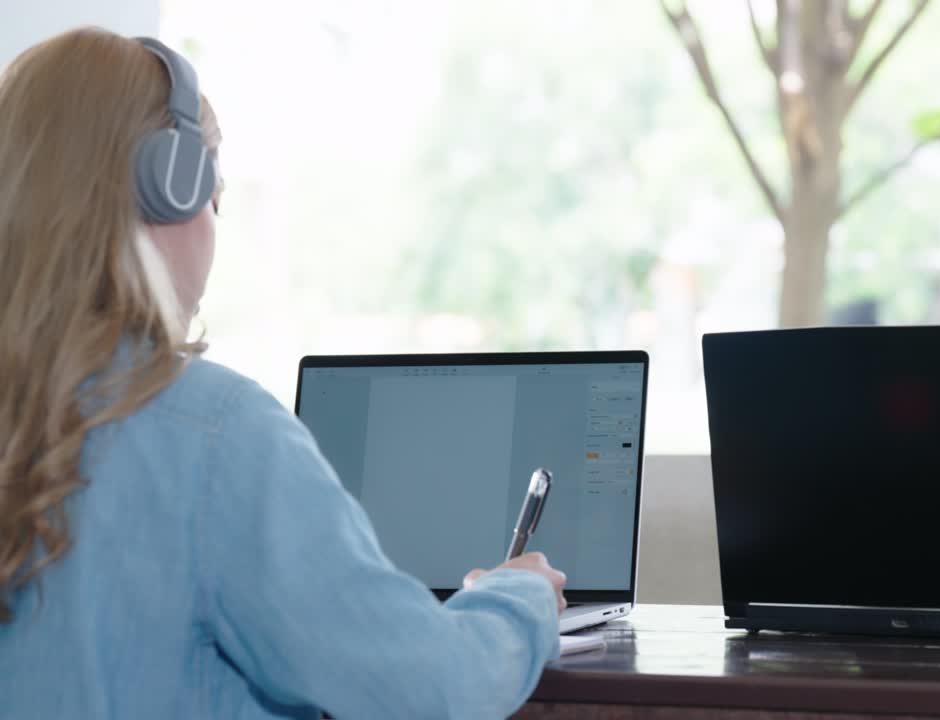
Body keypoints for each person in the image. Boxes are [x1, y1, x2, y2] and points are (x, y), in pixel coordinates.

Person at [0, 28, 566, 718]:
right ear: (168, 188)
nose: (215, 225)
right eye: (214, 194)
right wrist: (520, 596)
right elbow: (429, 689)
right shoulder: (212, 433)